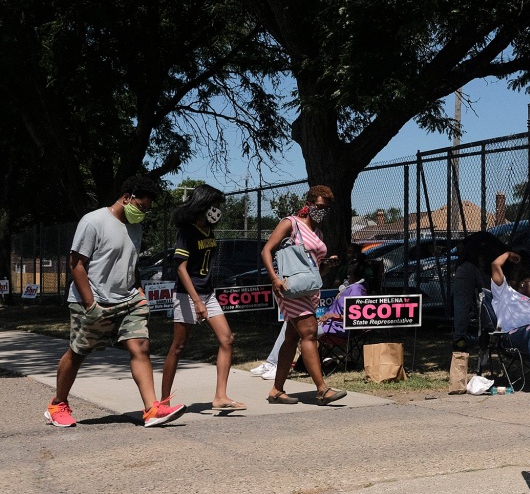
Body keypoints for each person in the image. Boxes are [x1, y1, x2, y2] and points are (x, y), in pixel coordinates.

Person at [46, 175, 187, 428]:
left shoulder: (136, 227)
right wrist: (90, 305)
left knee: (140, 347)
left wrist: (140, 292)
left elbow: (131, 264)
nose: (143, 213)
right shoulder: (93, 222)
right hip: (93, 300)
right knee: (78, 353)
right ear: (126, 197)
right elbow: (76, 264)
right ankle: (58, 403)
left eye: (147, 209)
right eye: (141, 207)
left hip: (129, 300)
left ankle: (151, 409)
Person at [160, 184, 246, 411]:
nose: (216, 210)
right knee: (178, 346)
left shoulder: (209, 231)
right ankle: (163, 401)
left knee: (227, 339)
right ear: (202, 204)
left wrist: (204, 297)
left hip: (208, 294)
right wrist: (196, 300)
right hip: (187, 295)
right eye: (214, 205)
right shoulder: (187, 232)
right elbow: (181, 268)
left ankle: (220, 397)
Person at [259, 185, 347, 405]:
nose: (322, 211)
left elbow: (314, 268)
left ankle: (276, 391)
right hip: (288, 288)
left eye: (325, 208)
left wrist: (327, 265)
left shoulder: (319, 232)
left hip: (309, 289)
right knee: (309, 333)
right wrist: (274, 278)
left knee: (291, 338)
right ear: (308, 204)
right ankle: (322, 389)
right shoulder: (291, 223)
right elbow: (266, 250)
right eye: (318, 206)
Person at [489, 248, 530, 389]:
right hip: (513, 335)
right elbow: (495, 265)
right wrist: (508, 254)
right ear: (519, 282)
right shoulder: (504, 293)